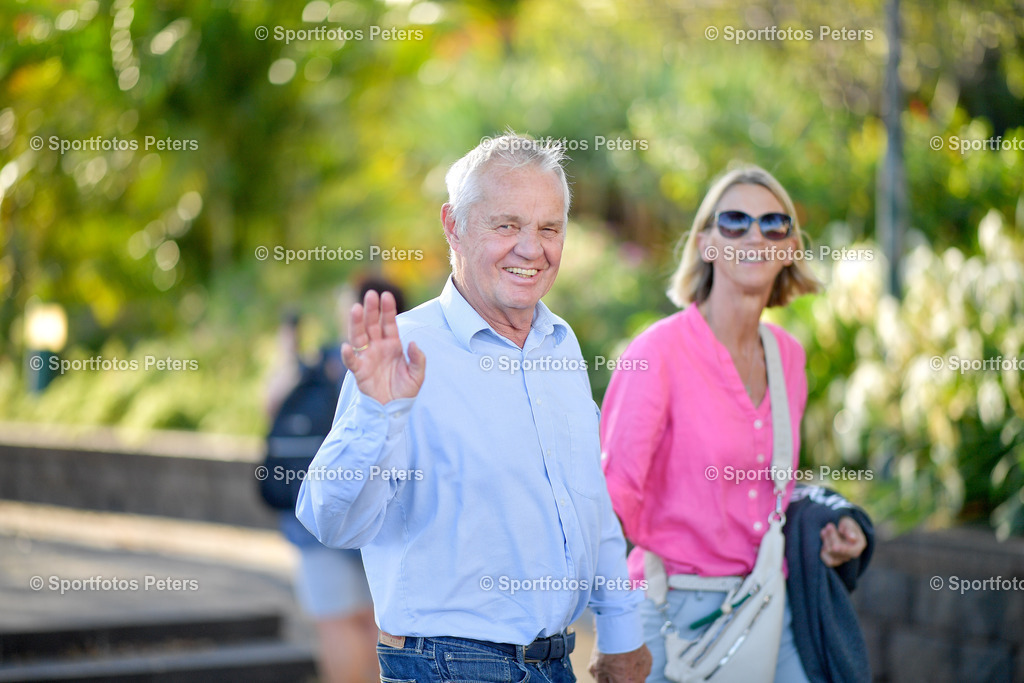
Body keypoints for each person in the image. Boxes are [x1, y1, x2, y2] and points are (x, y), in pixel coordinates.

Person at [296, 132, 652, 683]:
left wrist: (623, 631)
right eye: (506, 225)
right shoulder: (405, 351)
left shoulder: (561, 343)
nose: (531, 249)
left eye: (549, 228)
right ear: (453, 226)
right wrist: (376, 414)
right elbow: (330, 520)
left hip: (556, 663)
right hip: (445, 668)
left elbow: (590, 498)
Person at [599, 164, 868, 683]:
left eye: (774, 224)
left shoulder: (788, 356)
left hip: (769, 600)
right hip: (669, 609)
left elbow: (773, 488)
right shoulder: (658, 352)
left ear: (790, 248)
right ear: (706, 243)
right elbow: (610, 505)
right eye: (735, 221)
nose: (754, 235)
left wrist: (839, 527)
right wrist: (614, 634)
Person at [267, 277, 409, 683]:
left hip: (320, 519)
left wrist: (286, 356)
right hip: (385, 517)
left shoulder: (330, 361)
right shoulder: (416, 359)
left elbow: (271, 403)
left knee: (336, 624)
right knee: (375, 625)